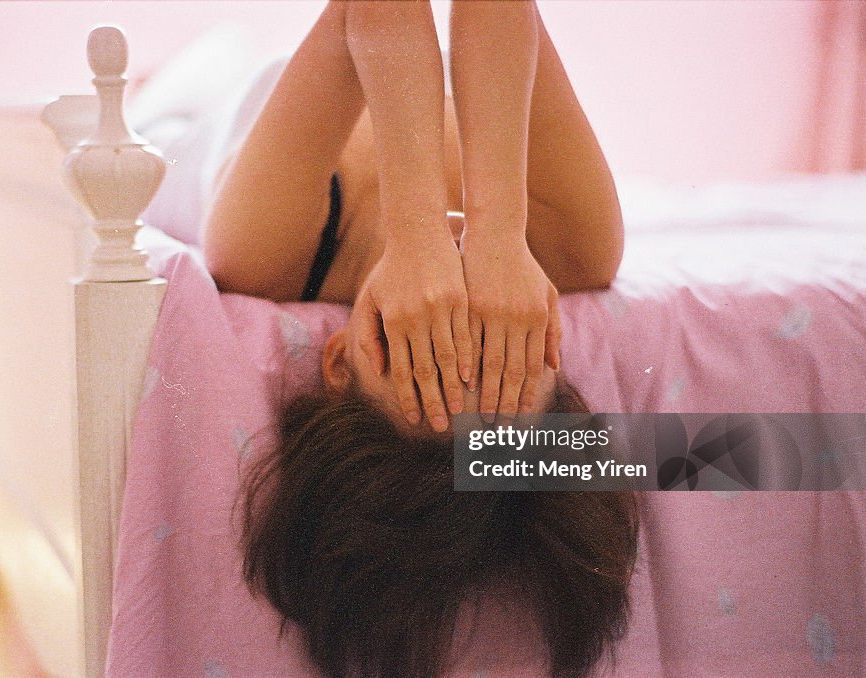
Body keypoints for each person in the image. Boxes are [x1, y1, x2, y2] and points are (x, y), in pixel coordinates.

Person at [180, 1, 636, 676]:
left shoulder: (261, 253)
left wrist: (416, 227)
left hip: (200, 113)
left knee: (184, 81)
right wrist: (498, 231)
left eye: (426, 357)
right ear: (553, 350)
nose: (455, 302)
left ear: (339, 360)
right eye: (501, 349)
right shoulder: (578, 248)